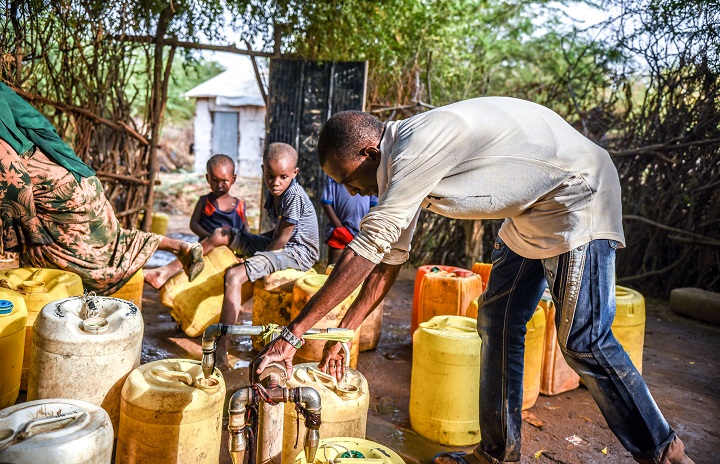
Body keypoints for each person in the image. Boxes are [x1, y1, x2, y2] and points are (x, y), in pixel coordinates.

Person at [252, 99, 694, 464]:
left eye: (346, 179)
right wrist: (344, 334)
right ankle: (498, 453)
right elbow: (387, 262)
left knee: (583, 339)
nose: (349, 192)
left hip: (577, 192)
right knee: (497, 320)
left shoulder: (415, 146)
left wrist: (293, 334)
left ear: (369, 153)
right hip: (531, 210)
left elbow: (368, 248)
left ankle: (665, 451)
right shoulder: (400, 169)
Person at [0, 82, 203, 295]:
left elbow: (14, 175)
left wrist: (31, 233)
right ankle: (179, 248)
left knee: (56, 259)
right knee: (110, 240)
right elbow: (38, 125)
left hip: (59, 196)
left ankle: (65, 319)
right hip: (80, 179)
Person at [145, 142, 319, 368]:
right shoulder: (274, 193)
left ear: (294, 174)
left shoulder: (293, 195)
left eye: (283, 177)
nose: (275, 183)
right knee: (221, 234)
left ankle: (221, 348)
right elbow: (275, 233)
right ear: (263, 170)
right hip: (281, 243)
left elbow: (283, 240)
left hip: (298, 253)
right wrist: (249, 241)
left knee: (234, 276)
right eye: (270, 176)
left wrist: (252, 259)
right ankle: (164, 272)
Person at [189, 154, 250, 240]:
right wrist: (211, 238)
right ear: (208, 178)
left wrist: (243, 240)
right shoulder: (205, 202)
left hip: (232, 250)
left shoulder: (239, 206)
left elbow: (246, 228)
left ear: (233, 179)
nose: (219, 186)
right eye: (214, 180)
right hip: (208, 248)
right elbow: (194, 224)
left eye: (224, 181)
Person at [321, 175, 377, 265]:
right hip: (339, 231)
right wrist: (339, 227)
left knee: (356, 269)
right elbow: (326, 202)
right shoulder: (333, 175)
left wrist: (367, 227)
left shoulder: (369, 175)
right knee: (333, 269)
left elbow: (373, 205)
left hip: (361, 232)